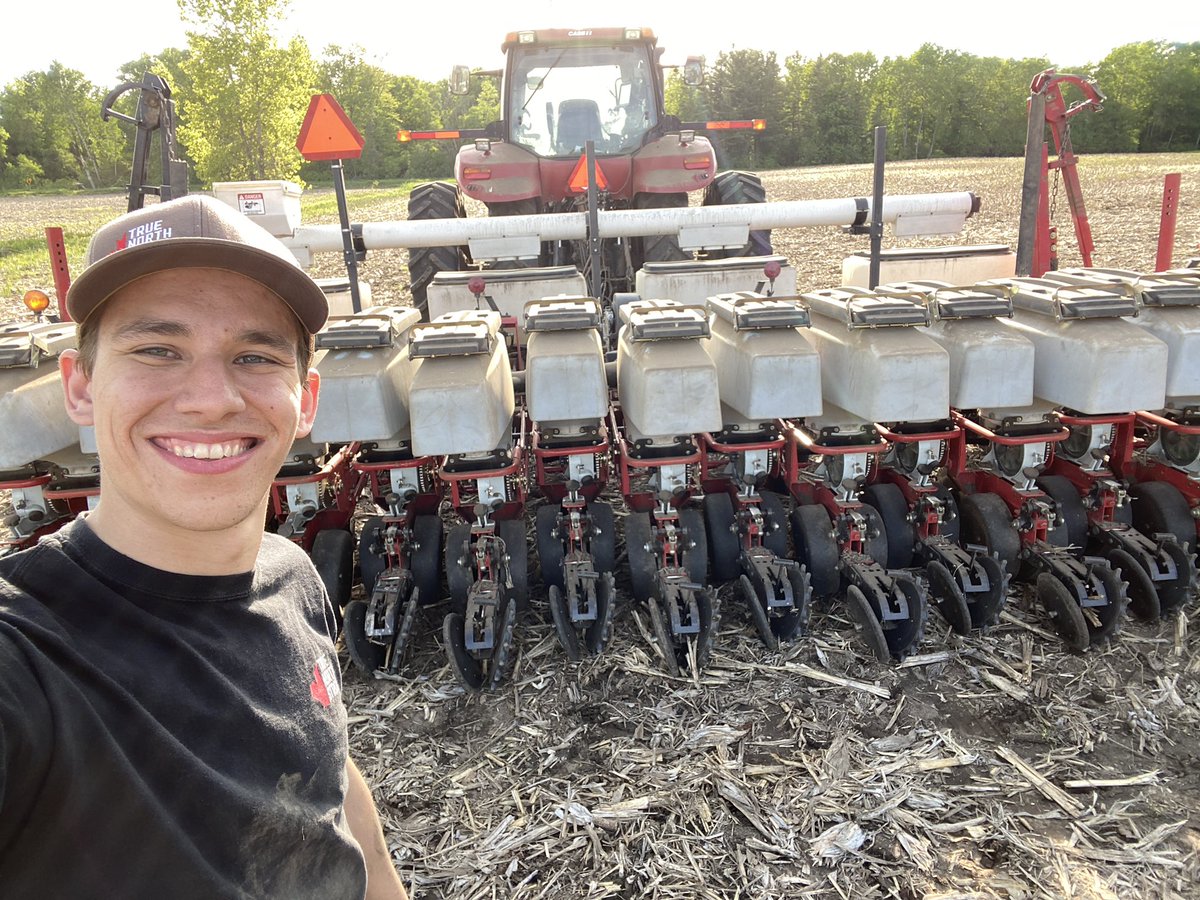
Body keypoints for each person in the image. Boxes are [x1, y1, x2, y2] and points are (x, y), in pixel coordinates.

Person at [0, 195, 409, 900]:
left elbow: (333, 786)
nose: (211, 398)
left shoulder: (293, 577)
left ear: (305, 400)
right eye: (158, 350)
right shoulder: (27, 658)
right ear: (80, 386)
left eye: (254, 355)